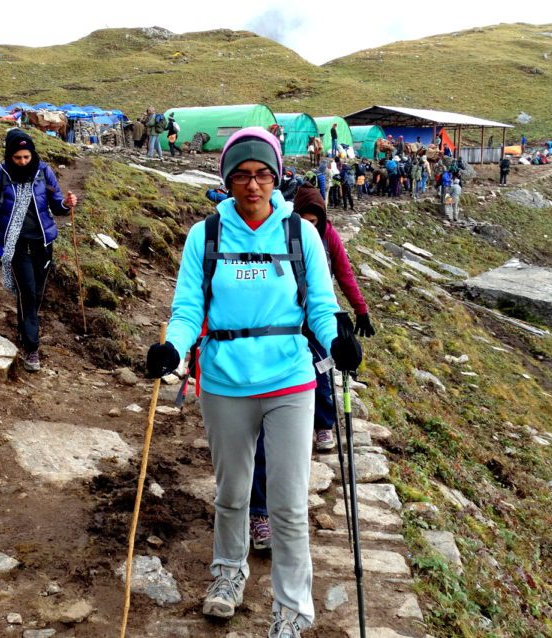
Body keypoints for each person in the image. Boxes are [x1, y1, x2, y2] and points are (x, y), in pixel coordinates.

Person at [145, 128, 362, 637]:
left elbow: (322, 307)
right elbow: (187, 307)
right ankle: (227, 574)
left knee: (287, 505)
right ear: (226, 180)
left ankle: (291, 609)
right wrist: (173, 348)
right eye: (241, 175)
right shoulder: (206, 235)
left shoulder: (300, 234)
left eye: (262, 174)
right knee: (233, 493)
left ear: (276, 177)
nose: (252, 185)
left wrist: (337, 344)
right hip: (223, 381)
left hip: (289, 379)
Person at [248, 182, 372, 551]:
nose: (310, 226)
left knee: (322, 370)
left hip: (316, 317)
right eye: (305, 218)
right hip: (279, 327)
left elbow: (344, 273)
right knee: (259, 440)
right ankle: (258, 511)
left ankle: (324, 423)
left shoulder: (327, 237)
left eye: (316, 220)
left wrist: (357, 310)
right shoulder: (278, 234)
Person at [0, 129, 77, 372]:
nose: (23, 162)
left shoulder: (43, 172)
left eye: (26, 157)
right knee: (27, 292)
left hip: (43, 243)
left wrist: (66, 204)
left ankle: (25, 328)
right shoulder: (0, 174)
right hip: (14, 245)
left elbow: (56, 204)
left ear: (32, 154)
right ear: (9, 156)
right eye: (17, 158)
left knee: (36, 293)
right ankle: (31, 348)